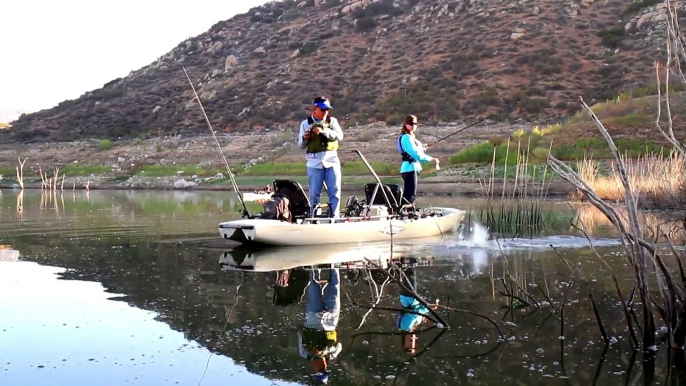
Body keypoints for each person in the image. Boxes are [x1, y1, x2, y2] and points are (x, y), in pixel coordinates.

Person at [298, 96, 344, 217]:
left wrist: (323, 131)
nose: (325, 112)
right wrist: (305, 138)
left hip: (332, 160)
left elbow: (339, 136)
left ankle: (334, 217)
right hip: (314, 162)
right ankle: (315, 218)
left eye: (327, 109)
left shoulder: (332, 121)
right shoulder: (305, 124)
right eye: (323, 109)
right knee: (314, 194)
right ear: (315, 108)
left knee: (334, 192)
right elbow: (301, 145)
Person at [297, 268, 343, 384]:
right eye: (326, 369)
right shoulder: (333, 354)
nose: (325, 366)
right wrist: (326, 349)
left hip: (313, 318)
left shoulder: (305, 354)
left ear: (315, 369)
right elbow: (339, 345)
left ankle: (314, 264)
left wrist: (313, 348)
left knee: (313, 285)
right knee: (335, 286)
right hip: (331, 320)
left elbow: (299, 333)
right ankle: (335, 264)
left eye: (322, 369)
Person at [396, 115, 439, 207]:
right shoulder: (406, 137)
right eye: (411, 124)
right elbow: (416, 155)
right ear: (406, 124)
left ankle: (406, 212)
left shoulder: (408, 137)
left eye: (415, 123)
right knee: (410, 196)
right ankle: (406, 215)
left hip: (409, 169)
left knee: (409, 194)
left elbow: (414, 151)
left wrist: (423, 148)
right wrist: (431, 159)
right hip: (409, 169)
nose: (414, 125)